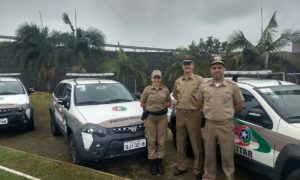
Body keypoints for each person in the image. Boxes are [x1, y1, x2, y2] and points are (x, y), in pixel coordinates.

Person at [197, 56, 244, 180]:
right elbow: (199, 103)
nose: (217, 70)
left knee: (227, 156)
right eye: (214, 68)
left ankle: (229, 177)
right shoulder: (204, 86)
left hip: (226, 125)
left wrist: (228, 115)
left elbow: (239, 104)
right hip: (209, 125)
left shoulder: (232, 86)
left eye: (219, 67)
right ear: (210, 70)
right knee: (209, 156)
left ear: (224, 69)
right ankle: (208, 177)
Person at [172, 55, 204, 179]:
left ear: (193, 65)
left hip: (193, 114)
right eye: (185, 64)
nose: (187, 66)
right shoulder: (178, 81)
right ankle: (181, 166)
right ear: (182, 66)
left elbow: (204, 96)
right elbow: (175, 95)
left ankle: (198, 169)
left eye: (189, 64)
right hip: (179, 114)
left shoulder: (199, 80)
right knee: (180, 142)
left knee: (196, 144)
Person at [140, 69, 171, 175]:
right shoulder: (147, 90)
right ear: (151, 78)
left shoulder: (165, 90)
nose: (157, 79)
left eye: (158, 77)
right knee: (151, 141)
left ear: (161, 78)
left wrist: (165, 106)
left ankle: (159, 162)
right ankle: (153, 163)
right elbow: (142, 103)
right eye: (155, 77)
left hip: (162, 117)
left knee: (162, 142)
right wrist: (150, 109)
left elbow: (169, 102)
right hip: (150, 118)